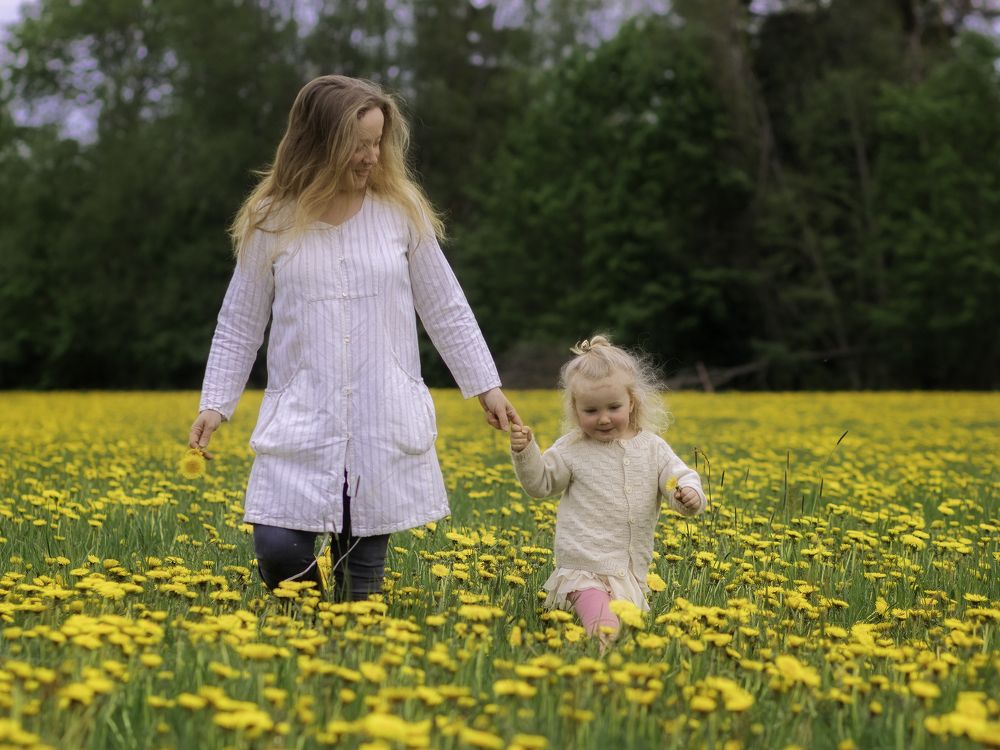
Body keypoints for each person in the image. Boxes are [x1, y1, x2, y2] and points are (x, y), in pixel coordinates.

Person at [188, 74, 520, 602]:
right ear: (318, 144)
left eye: (377, 143)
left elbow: (446, 307)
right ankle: (315, 620)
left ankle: (339, 656)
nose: (371, 157)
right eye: (357, 145)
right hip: (302, 417)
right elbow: (239, 322)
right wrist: (215, 404)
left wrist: (487, 386)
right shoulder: (270, 220)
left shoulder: (400, 212)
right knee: (278, 550)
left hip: (380, 418)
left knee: (360, 592)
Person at [509, 335, 705, 648]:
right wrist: (525, 452)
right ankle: (602, 661)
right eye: (590, 410)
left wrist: (687, 493)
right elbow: (541, 484)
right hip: (584, 567)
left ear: (633, 402)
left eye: (613, 407)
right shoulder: (573, 449)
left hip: (629, 571)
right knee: (605, 628)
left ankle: (609, 658)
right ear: (575, 409)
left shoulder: (653, 448)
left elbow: (679, 477)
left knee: (627, 632)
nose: (602, 418)